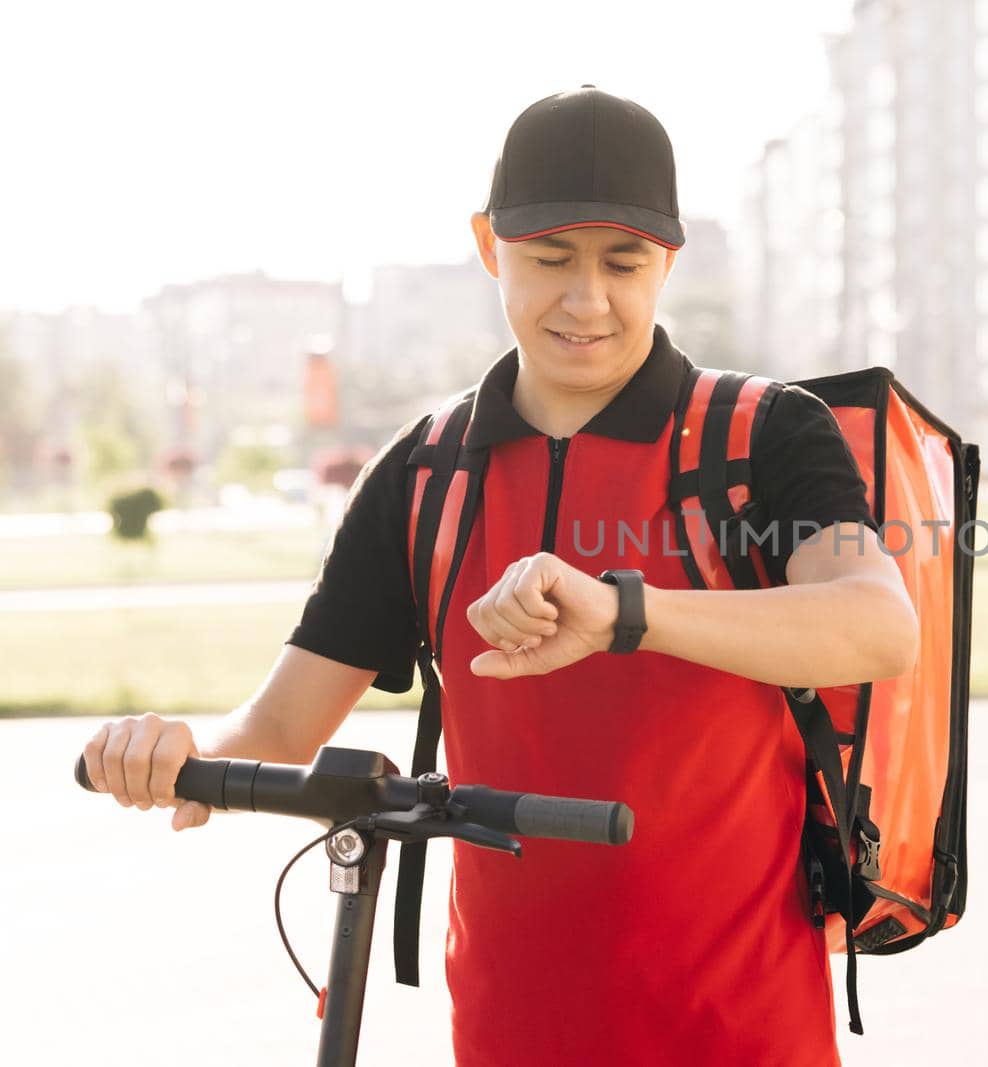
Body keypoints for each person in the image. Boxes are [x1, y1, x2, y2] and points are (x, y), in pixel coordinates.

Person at [80, 86, 919, 1066]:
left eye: (624, 262)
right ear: (489, 246)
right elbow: (276, 729)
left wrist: (623, 611)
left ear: (669, 264)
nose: (587, 299)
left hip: (738, 1021)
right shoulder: (423, 472)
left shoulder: (763, 432)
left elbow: (876, 625)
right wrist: (177, 750)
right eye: (550, 259)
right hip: (509, 1022)